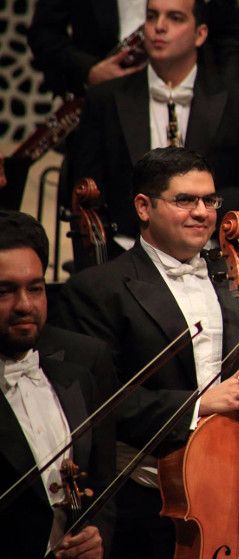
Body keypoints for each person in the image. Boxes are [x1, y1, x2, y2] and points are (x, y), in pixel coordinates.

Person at [56, 147, 239, 559]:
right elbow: (97, 406)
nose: (202, 212)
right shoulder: (98, 290)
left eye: (209, 200)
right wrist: (201, 404)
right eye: (184, 200)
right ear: (143, 206)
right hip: (150, 502)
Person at [68, 0, 239, 255]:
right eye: (151, 17)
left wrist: (196, 205)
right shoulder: (105, 98)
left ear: (200, 34)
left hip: (213, 255)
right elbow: (86, 193)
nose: (158, 27)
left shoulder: (238, 101)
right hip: (126, 252)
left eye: (175, 18)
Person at [0, 211, 115, 559]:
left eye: (35, 289)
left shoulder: (84, 362)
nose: (25, 305)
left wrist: (99, 537)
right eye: (5, 291)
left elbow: (104, 485)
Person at [27, 0, 239, 97]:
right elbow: (44, 34)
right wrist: (90, 70)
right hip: (104, 99)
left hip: (185, 96)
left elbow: (227, 34)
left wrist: (227, 104)